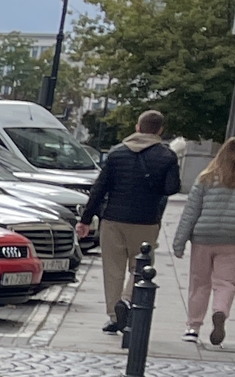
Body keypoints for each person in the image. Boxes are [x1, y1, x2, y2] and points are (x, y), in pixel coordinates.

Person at [80, 109, 181, 331]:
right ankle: (126, 300)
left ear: (137, 127)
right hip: (146, 221)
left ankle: (115, 315)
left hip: (113, 219)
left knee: (112, 269)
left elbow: (99, 188)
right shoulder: (166, 156)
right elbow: (172, 188)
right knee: (140, 266)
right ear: (160, 130)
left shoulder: (117, 154)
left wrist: (85, 219)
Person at [173, 138, 235, 346]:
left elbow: (191, 212)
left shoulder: (206, 178)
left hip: (203, 236)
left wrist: (180, 242)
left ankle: (192, 327)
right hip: (231, 239)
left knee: (199, 283)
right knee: (225, 283)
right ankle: (220, 311)